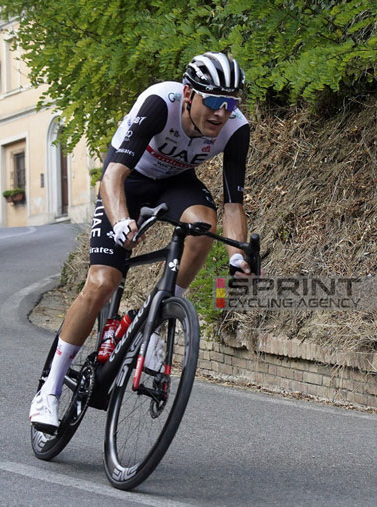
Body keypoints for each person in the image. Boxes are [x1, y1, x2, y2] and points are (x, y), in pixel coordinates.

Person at [29, 52, 255, 432]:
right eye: (213, 102)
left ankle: (157, 315)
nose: (221, 113)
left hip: (175, 183)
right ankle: (48, 391)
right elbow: (113, 176)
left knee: (204, 225)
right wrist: (120, 222)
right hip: (128, 181)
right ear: (188, 94)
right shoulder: (159, 104)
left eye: (230, 104)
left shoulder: (236, 129)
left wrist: (238, 257)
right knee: (103, 282)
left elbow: (234, 206)